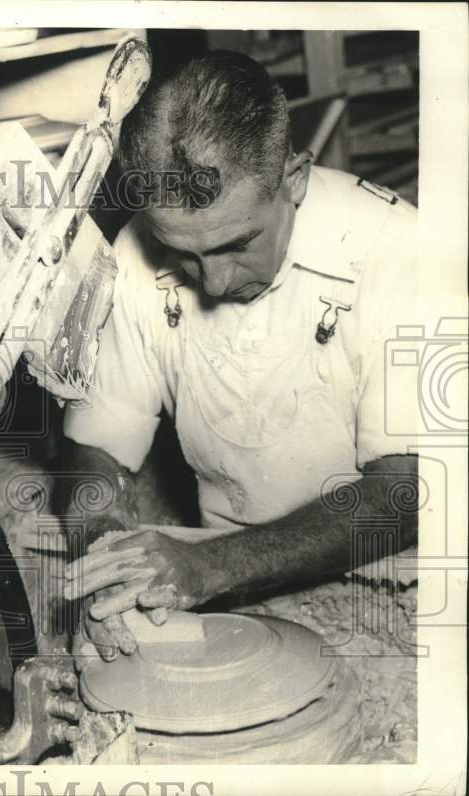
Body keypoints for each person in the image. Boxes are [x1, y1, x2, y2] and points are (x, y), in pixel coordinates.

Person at [58, 50, 421, 666]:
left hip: (395, 584)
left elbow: (406, 492)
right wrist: (107, 548)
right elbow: (96, 449)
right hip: (221, 579)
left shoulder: (402, 250)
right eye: (185, 255)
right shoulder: (135, 252)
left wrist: (213, 565)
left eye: (238, 244)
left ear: (295, 177)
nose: (217, 285)